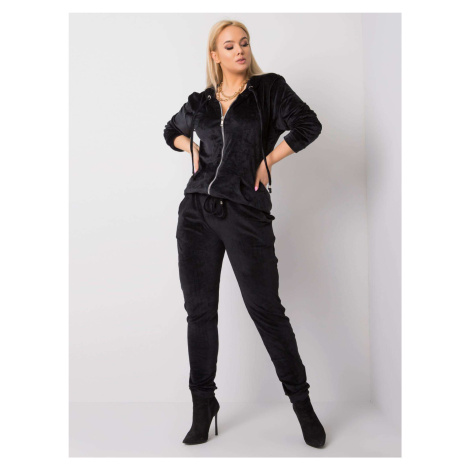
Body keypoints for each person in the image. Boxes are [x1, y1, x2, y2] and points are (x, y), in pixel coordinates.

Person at [163, 20, 326, 448]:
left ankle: (302, 404)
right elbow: (170, 130)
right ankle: (203, 404)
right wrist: (190, 146)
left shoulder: (268, 90)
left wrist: (267, 161)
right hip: (196, 214)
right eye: (229, 45)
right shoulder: (200, 102)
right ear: (215, 55)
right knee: (199, 313)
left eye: (244, 43)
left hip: (245, 213)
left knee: (266, 310)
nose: (240, 50)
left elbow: (308, 125)